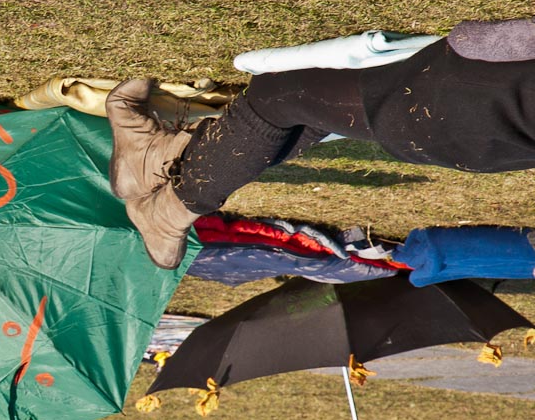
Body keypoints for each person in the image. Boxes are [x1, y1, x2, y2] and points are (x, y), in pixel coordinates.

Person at [107, 17, 535, 269]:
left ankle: (169, 210)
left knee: (277, 97)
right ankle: (154, 158)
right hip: (481, 131)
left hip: (466, 101)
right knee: (303, 118)